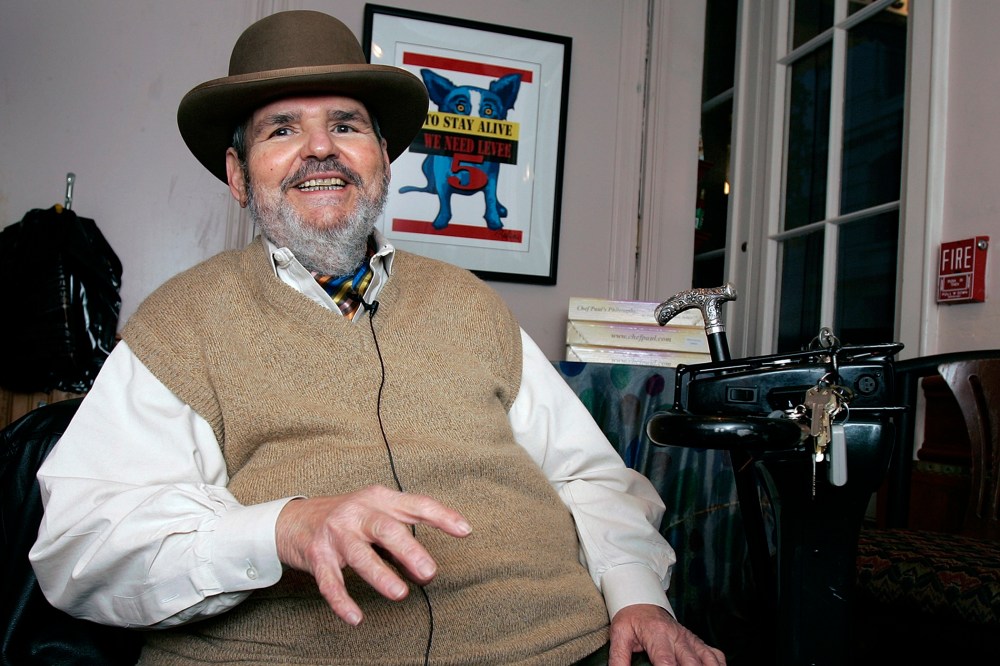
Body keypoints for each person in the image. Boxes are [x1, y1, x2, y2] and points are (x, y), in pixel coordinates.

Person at [29, 10, 725, 666]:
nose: (320, 148)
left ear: (383, 160)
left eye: (345, 125)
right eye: (281, 130)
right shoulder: (179, 325)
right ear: (238, 176)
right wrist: (282, 530)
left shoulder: (471, 303)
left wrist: (639, 597)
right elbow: (81, 546)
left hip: (560, 646)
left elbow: (588, 476)